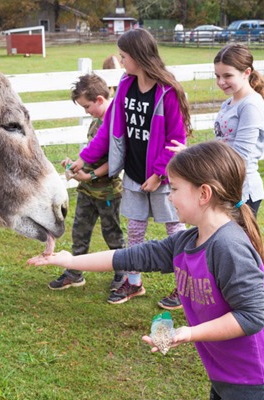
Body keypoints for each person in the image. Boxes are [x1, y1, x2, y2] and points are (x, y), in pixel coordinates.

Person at [28, 141, 264, 400]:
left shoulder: (228, 247)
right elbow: (126, 257)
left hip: (256, 377)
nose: (169, 195)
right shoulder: (188, 241)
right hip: (228, 373)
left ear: (204, 194)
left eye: (175, 188)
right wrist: (70, 261)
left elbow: (251, 316)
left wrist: (188, 333)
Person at [67, 28, 191, 306]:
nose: (121, 61)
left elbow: (176, 139)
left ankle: (186, 288)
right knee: (135, 232)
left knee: (176, 232)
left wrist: (159, 174)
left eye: (124, 56)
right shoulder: (125, 84)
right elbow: (109, 130)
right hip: (134, 175)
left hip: (163, 178)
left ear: (138, 55)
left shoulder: (166, 91)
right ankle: (133, 283)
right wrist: (85, 158)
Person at [167, 43, 264, 216]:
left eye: (227, 75)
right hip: (225, 183)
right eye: (217, 76)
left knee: (237, 240)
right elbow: (221, 144)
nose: (221, 82)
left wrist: (198, 158)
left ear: (246, 72)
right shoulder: (229, 103)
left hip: (242, 190)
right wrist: (192, 154)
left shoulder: (251, 105)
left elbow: (240, 155)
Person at [47, 73, 126, 292]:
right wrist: (75, 164)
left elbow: (116, 161)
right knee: (80, 231)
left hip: (107, 192)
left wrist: (91, 175)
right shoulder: (95, 123)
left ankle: (123, 272)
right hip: (87, 190)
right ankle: (75, 272)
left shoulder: (116, 124)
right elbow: (91, 153)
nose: (86, 111)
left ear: (100, 99)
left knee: (112, 233)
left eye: (87, 106)